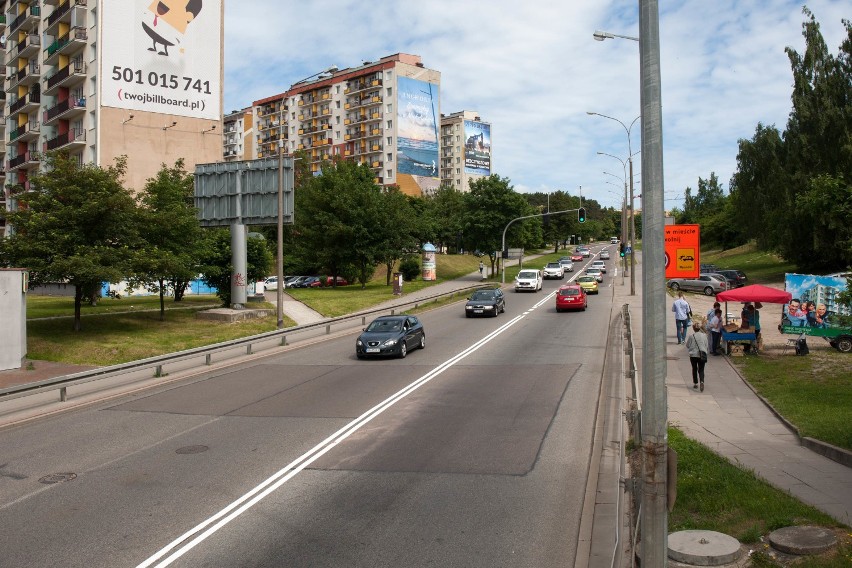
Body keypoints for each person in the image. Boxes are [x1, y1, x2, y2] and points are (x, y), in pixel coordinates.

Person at [685, 322, 710, 391]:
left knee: (694, 368)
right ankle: (702, 381)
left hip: (693, 355)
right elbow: (707, 345)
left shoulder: (691, 336)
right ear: (699, 328)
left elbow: (687, 345)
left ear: (693, 329)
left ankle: (695, 383)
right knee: (701, 369)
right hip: (702, 354)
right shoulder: (704, 336)